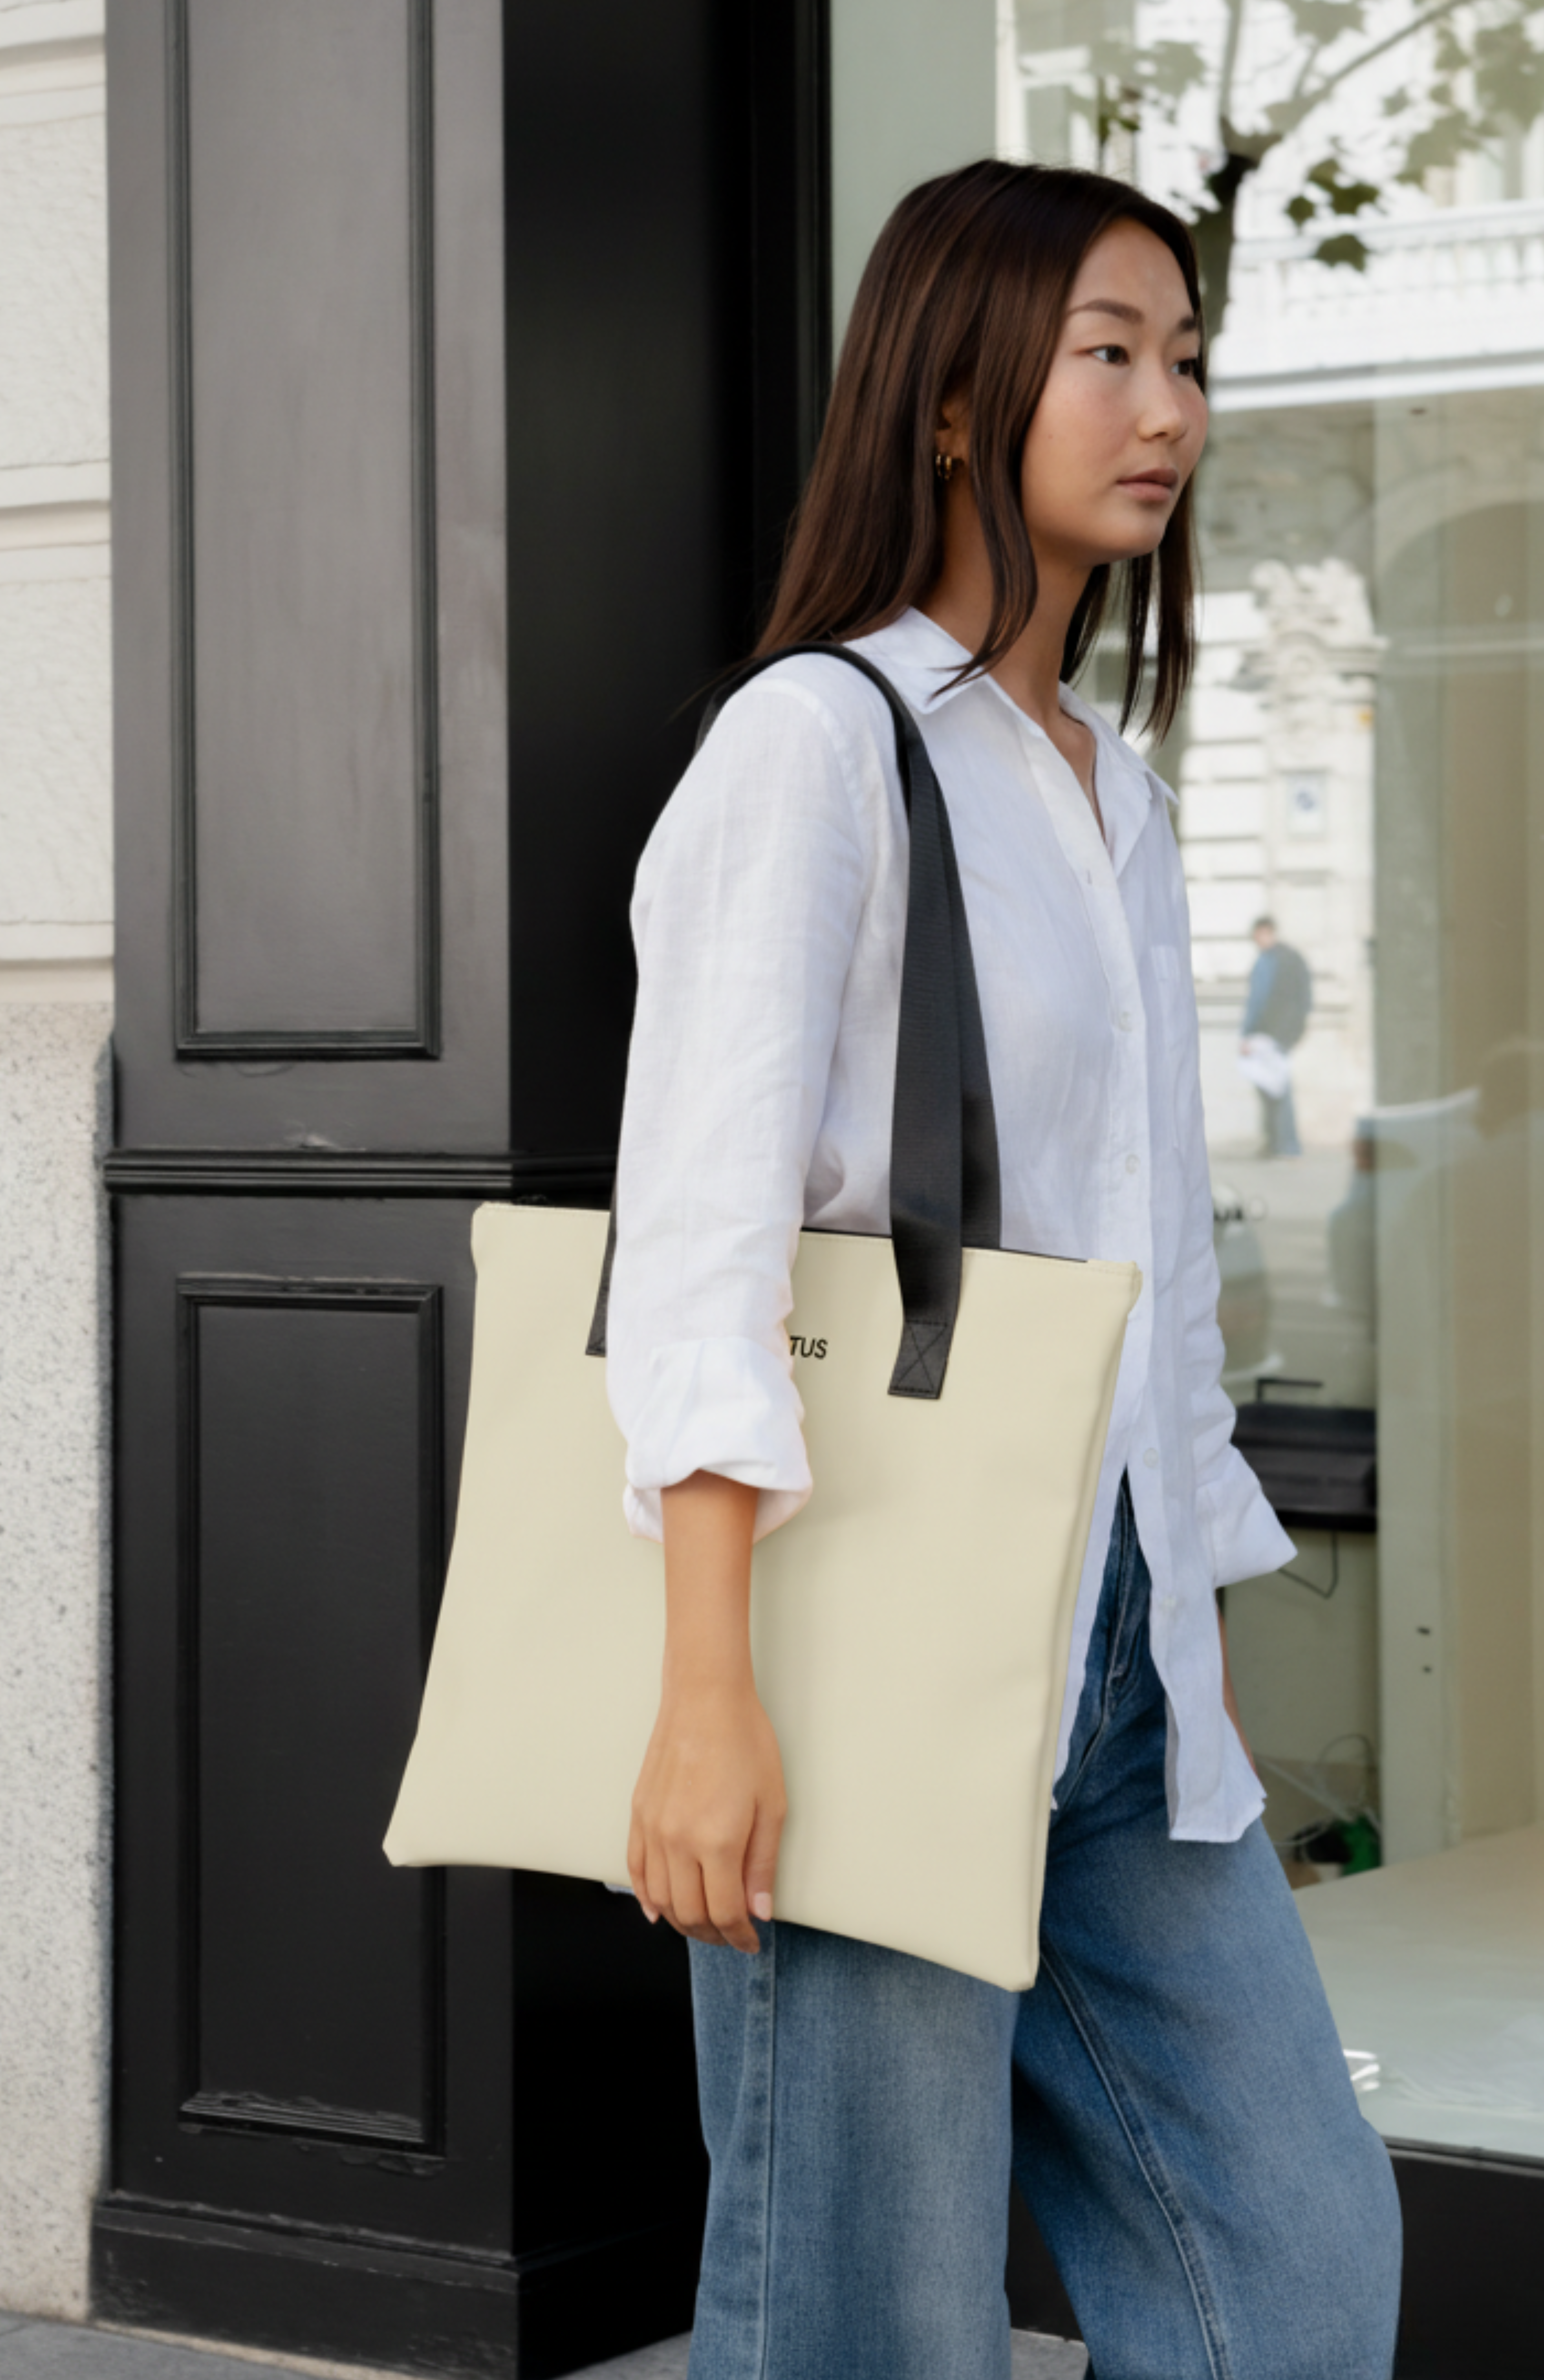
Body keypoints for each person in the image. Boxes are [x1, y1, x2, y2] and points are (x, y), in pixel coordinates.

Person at [604, 161, 1400, 2379]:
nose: (1167, 406)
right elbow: (697, 1238)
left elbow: (1154, 1264)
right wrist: (701, 1691)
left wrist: (1202, 1658)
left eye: (1186, 358)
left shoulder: (1109, 792)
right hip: (855, 1625)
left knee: (1294, 2278)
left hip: (1118, 1657)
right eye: (1108, 352)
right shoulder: (813, 748)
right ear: (952, 401)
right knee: (862, 2323)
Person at [1241, 916, 1313, 1157]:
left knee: (1279, 1089)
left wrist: (1290, 1033)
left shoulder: (1287, 960)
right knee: (1267, 1089)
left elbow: (1301, 1000)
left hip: (1277, 1035)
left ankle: (1288, 1145)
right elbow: (1255, 1003)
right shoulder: (1264, 961)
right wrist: (1248, 1035)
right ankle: (1274, 1142)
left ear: (1267, 933)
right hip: (1263, 1035)